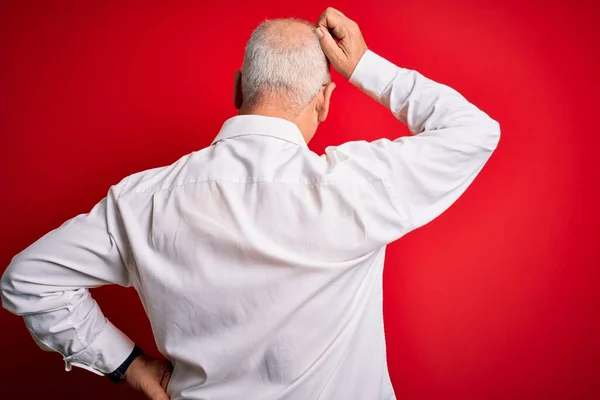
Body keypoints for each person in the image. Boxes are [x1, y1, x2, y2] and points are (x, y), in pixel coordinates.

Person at [1, 7, 500, 400]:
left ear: (240, 87)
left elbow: (27, 280)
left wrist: (129, 366)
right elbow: (475, 132)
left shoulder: (143, 201)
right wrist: (366, 67)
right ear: (325, 99)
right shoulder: (355, 186)